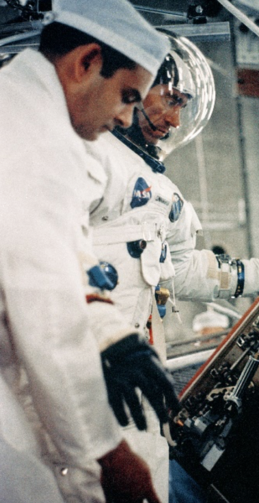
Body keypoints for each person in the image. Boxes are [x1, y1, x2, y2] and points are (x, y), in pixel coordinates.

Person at [83, 31, 259, 501]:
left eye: (182, 107)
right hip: (84, 355)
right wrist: (104, 339)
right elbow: (51, 250)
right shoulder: (89, 155)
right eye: (168, 99)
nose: (172, 119)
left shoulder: (159, 188)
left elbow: (183, 270)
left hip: (130, 369)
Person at [0, 1, 176, 501]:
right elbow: (48, 324)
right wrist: (107, 458)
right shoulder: (38, 146)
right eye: (126, 96)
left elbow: (63, 261)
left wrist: (107, 334)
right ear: (86, 62)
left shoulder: (20, 110)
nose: (126, 118)